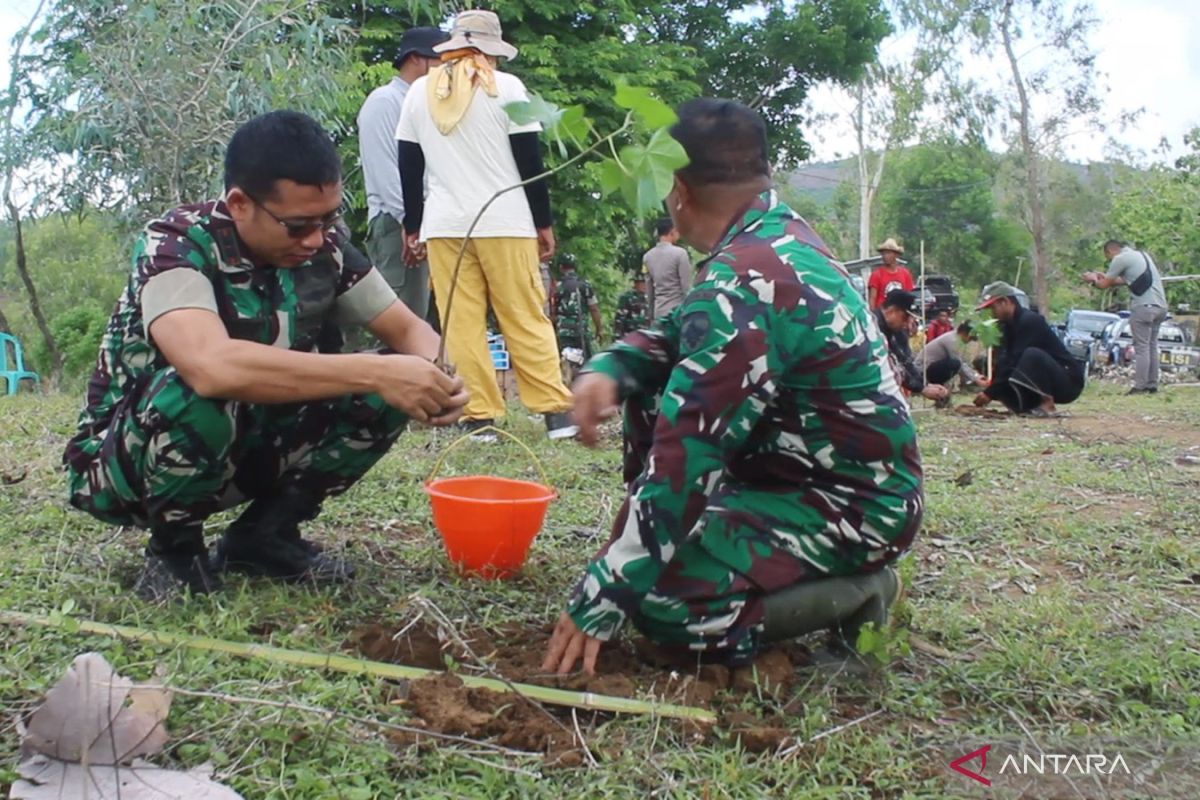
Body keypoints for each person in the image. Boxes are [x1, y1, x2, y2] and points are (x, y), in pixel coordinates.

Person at [542, 99, 921, 676]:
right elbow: (682, 332)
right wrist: (613, 367)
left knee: (660, 602)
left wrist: (605, 592)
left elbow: (689, 453)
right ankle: (720, 558)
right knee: (651, 557)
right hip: (800, 481)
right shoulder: (774, 238)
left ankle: (862, 590)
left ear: (679, 190)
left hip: (852, 505)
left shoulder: (748, 275)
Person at [62, 111, 468, 602]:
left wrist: (439, 375)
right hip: (126, 464)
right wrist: (377, 370)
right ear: (239, 204)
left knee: (392, 383)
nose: (317, 239)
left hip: (249, 442)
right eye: (298, 225)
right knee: (197, 391)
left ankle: (264, 536)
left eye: (329, 218)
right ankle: (175, 551)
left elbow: (406, 328)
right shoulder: (176, 245)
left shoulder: (326, 247)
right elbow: (209, 368)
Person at [395, 9, 576, 440]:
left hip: (445, 226)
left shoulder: (420, 92)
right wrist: (543, 222)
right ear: (490, 51)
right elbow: (530, 161)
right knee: (524, 314)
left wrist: (413, 224)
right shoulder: (507, 87)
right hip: (506, 221)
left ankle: (478, 419)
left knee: (461, 322)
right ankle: (554, 413)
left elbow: (408, 163)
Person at [357, 27, 449, 321]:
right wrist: (411, 224)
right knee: (404, 323)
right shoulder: (385, 102)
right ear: (416, 60)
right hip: (398, 225)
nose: (447, 71)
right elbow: (388, 174)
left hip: (424, 223)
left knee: (427, 324)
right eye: (441, 61)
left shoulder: (427, 105)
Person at [973, 281, 1083, 416]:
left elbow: (1014, 359)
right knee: (1002, 367)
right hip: (1044, 378)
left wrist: (990, 393)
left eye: (992, 308)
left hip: (1068, 381)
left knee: (1031, 355)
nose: (992, 314)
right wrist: (993, 389)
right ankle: (1027, 405)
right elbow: (1005, 360)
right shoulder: (1007, 326)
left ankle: (1047, 404)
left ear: (1005, 302)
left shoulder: (1030, 321)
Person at [1084, 240, 1168, 394]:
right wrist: (1103, 276)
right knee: (1152, 346)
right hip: (1160, 306)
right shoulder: (1141, 255)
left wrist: (1093, 280)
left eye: (1108, 257)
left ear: (1110, 252)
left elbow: (1105, 284)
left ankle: (1140, 386)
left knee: (1141, 347)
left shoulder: (1119, 259)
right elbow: (1121, 280)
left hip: (1143, 307)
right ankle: (1152, 384)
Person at [875, 290, 950, 403]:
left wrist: (925, 384)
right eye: (905, 318)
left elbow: (905, 361)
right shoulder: (873, 329)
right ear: (892, 311)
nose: (907, 324)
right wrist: (921, 389)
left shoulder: (895, 329)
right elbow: (892, 365)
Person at [552, 254, 603, 382]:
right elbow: (594, 308)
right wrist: (599, 329)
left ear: (561, 267)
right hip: (581, 329)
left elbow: (552, 311)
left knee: (564, 357)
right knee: (586, 361)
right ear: (575, 267)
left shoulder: (557, 287)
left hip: (563, 330)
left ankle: (566, 380)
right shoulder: (585, 285)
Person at [643, 217, 693, 318]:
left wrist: (651, 313)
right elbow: (686, 287)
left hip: (659, 311)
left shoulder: (647, 257)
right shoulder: (680, 254)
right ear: (672, 231)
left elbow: (649, 289)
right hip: (677, 311)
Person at [914, 322, 983, 389]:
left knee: (956, 363)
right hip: (923, 370)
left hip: (930, 367)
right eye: (970, 338)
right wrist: (975, 379)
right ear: (964, 333)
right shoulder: (952, 340)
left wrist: (975, 376)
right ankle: (935, 385)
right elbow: (960, 365)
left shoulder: (955, 337)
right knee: (955, 364)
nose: (970, 341)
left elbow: (962, 362)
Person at [867, 238, 914, 309]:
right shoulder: (876, 275)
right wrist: (874, 317)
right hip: (882, 315)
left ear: (896, 255)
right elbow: (872, 299)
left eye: (888, 253)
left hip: (899, 315)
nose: (885, 256)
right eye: (884, 253)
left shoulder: (905, 274)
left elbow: (909, 297)